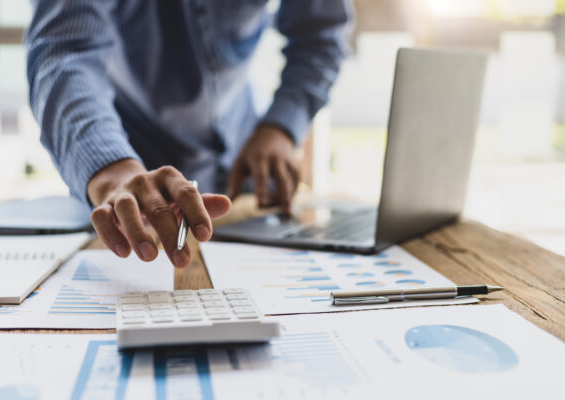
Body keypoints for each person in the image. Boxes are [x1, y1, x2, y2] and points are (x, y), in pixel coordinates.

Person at [26, 1, 352, 267]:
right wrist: (110, 169)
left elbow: (321, 34)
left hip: (244, 175)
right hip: (127, 183)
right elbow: (64, 50)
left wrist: (280, 127)